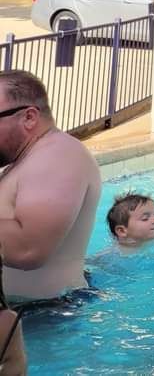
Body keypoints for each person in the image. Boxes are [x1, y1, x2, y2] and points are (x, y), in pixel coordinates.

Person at [0, 71, 102, 302]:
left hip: (45, 318)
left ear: (29, 117)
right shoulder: (28, 158)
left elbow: (29, 249)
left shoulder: (58, 156)